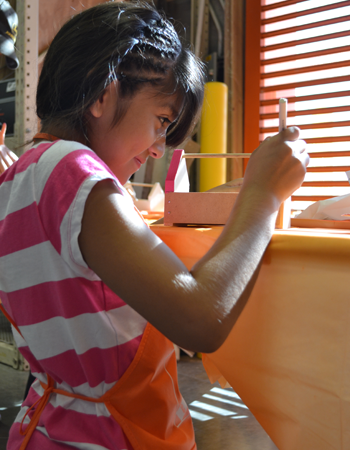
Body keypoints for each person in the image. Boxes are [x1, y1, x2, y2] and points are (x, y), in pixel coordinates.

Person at [0, 2, 309, 449]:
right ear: (102, 93)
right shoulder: (74, 171)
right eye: (162, 121)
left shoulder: (18, 178)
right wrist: (264, 195)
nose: (159, 149)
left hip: (51, 427)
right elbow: (200, 319)